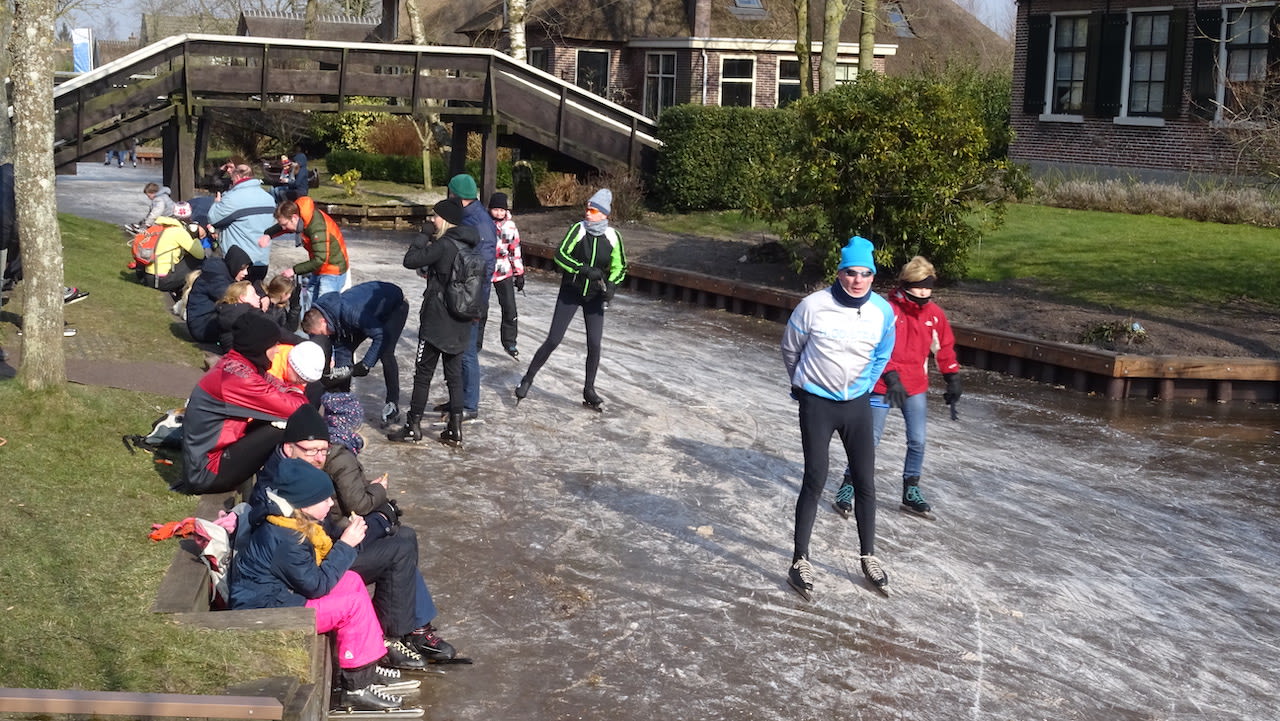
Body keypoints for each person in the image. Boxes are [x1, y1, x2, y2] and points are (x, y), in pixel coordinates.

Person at [251, 404, 458, 665]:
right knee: (398, 548)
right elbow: (295, 543)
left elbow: (320, 525)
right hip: (313, 566)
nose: (318, 458)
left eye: (322, 451)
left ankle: (416, 628)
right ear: (289, 446)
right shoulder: (278, 481)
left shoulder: (297, 465)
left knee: (402, 537)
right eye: (311, 451)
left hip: (323, 547)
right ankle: (393, 637)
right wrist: (352, 537)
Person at [230, 457, 421, 713]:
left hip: (280, 597)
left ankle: (367, 666)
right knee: (350, 606)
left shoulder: (291, 524)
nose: (332, 503)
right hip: (267, 613)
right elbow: (316, 586)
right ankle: (356, 688)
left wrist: (345, 547)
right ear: (304, 502)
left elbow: (314, 578)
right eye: (325, 499)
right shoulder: (285, 538)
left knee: (351, 579)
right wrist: (345, 545)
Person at [780, 236, 896, 600]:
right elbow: (790, 349)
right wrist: (803, 385)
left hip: (857, 404)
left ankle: (868, 555)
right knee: (815, 477)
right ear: (839, 272)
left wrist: (862, 385)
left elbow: (882, 355)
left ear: (873, 276)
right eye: (850, 272)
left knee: (865, 480)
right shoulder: (813, 306)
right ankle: (800, 559)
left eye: (865, 274)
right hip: (817, 402)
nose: (857, 280)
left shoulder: (882, 312)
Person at [838, 255, 961, 521]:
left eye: (929, 287)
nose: (924, 292)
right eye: (920, 286)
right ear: (907, 283)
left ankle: (910, 490)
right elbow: (872, 347)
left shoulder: (934, 314)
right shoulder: (886, 310)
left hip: (915, 385)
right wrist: (890, 376)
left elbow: (944, 347)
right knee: (869, 439)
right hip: (884, 384)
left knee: (918, 439)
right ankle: (848, 485)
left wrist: (952, 377)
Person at [515, 188, 627, 410]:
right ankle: (527, 378)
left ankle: (589, 389)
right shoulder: (579, 230)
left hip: (595, 296)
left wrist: (612, 285)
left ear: (604, 214)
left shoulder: (613, 237)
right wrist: (583, 269)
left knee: (594, 344)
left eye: (593, 210)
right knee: (554, 339)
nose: (587, 212)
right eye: (587, 208)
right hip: (572, 291)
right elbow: (560, 256)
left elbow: (620, 265)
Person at [176, 312, 309, 495]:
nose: (278, 350)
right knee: (284, 425)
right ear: (260, 346)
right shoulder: (239, 379)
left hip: (209, 460)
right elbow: (297, 410)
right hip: (206, 472)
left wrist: (292, 391)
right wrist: (297, 389)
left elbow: (277, 387)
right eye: (275, 345)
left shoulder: (236, 364)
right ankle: (285, 489)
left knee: (280, 417)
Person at [389, 198, 478, 445]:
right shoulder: (470, 245)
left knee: (423, 373)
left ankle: (412, 426)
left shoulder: (444, 245)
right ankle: (455, 429)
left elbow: (410, 260)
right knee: (454, 376)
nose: (432, 220)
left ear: (446, 220)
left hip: (436, 321)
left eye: (435, 217)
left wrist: (423, 234)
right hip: (460, 320)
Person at [301, 281, 409, 426]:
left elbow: (381, 335)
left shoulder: (350, 313)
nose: (324, 336)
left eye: (322, 333)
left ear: (323, 321)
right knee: (343, 349)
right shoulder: (323, 313)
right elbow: (340, 350)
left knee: (386, 352)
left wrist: (366, 364)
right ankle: (341, 403)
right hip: (366, 312)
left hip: (394, 306)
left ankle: (392, 404)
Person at [446, 173, 498, 423]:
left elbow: (482, 267)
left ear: (457, 196)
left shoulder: (478, 223)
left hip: (471, 299)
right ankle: (457, 398)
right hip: (463, 295)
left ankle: (469, 403)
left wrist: (472, 302)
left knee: (466, 352)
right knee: (455, 349)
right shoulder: (468, 217)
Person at [260, 196, 350, 316]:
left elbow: (320, 259)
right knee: (309, 305)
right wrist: (268, 235)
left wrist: (294, 270)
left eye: (285, 224)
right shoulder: (300, 218)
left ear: (294, 218)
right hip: (318, 268)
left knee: (323, 312)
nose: (284, 229)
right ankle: (306, 331)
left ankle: (324, 333)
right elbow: (284, 227)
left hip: (332, 269)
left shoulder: (317, 227)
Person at [208, 163, 277, 284]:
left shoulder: (232, 198)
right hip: (262, 260)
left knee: (235, 299)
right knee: (255, 296)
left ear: (237, 177)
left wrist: (217, 203)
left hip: (239, 264)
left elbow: (213, 219)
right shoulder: (269, 198)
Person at [186, 246, 252, 346]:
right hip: (202, 326)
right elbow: (232, 298)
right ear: (234, 265)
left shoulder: (224, 274)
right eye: (242, 269)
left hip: (206, 321)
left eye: (247, 269)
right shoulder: (216, 278)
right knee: (238, 314)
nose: (246, 273)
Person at [488, 191, 524, 359]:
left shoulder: (510, 226)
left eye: (502, 210)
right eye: (496, 210)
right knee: (479, 308)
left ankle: (509, 341)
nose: (499, 213)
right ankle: (475, 342)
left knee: (510, 308)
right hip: (486, 270)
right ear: (490, 210)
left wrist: (519, 273)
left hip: (504, 271)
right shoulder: (485, 224)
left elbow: (514, 250)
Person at [130, 216, 205, 295]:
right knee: (197, 259)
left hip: (147, 276)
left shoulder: (158, 228)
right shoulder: (179, 232)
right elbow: (200, 254)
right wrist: (195, 238)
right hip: (161, 281)